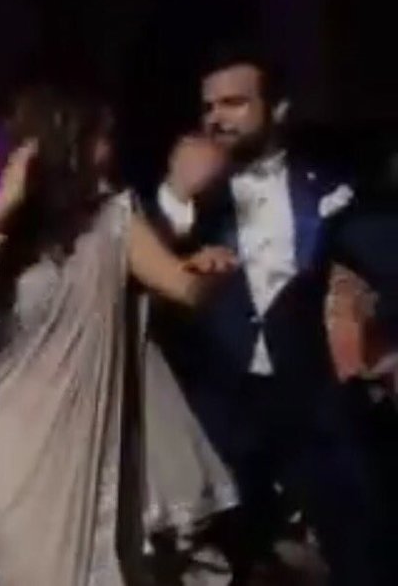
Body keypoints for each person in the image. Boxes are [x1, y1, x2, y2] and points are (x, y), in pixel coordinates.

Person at [0, 87, 238, 585]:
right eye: (100, 137)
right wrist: (4, 205)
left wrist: (212, 269)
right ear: (66, 144)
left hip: (87, 432)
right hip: (13, 441)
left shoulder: (115, 221)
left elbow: (184, 288)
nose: (110, 150)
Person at [151, 46, 395, 584]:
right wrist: (177, 196)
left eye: (234, 103)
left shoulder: (329, 187)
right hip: (219, 404)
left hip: (313, 398)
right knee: (221, 562)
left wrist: (380, 342)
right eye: (208, 106)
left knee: (362, 548)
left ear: (278, 108)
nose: (216, 118)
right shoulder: (184, 197)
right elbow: (138, 271)